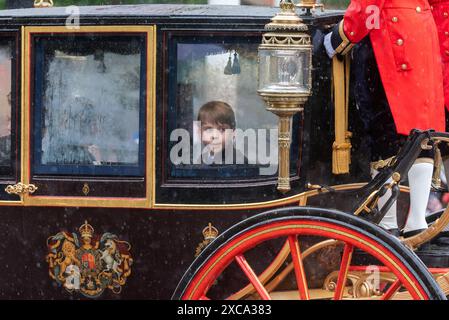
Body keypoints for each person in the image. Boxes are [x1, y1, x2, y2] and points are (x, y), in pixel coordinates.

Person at [324, 0, 446, 239]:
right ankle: (416, 221)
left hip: (390, 35)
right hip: (421, 31)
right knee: (420, 127)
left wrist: (341, 36)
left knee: (384, 131)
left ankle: (387, 224)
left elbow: (367, 5)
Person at [196, 101, 247, 165]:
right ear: (199, 132)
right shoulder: (202, 158)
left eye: (222, 130)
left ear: (233, 133)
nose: (215, 136)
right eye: (209, 129)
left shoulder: (238, 161)